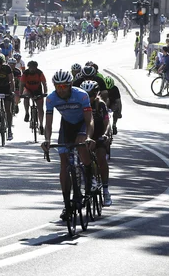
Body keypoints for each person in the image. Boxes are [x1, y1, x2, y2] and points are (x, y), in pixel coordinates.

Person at [41, 70, 95, 221]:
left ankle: (90, 176)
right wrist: (47, 140)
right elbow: (49, 123)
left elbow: (89, 119)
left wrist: (89, 137)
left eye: (64, 86)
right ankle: (67, 204)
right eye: (58, 86)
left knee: (81, 145)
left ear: (71, 85)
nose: (61, 89)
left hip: (82, 124)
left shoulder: (81, 95)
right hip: (67, 126)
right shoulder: (51, 99)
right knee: (64, 163)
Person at [79, 80, 112, 206]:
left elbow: (107, 123)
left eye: (91, 95)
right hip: (85, 135)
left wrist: (105, 135)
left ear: (96, 94)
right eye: (86, 95)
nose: (89, 98)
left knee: (101, 158)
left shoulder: (100, 105)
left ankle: (105, 190)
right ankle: (86, 186)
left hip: (99, 135)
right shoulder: (80, 104)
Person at [21, 61, 47, 134]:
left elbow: (44, 84)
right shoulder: (25, 73)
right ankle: (27, 113)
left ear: (36, 67)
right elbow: (21, 84)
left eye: (34, 68)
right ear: (28, 67)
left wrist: (45, 93)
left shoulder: (39, 73)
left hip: (37, 90)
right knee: (26, 97)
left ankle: (41, 125)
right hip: (28, 89)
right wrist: (20, 94)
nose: (32, 69)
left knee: (40, 109)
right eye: (30, 67)